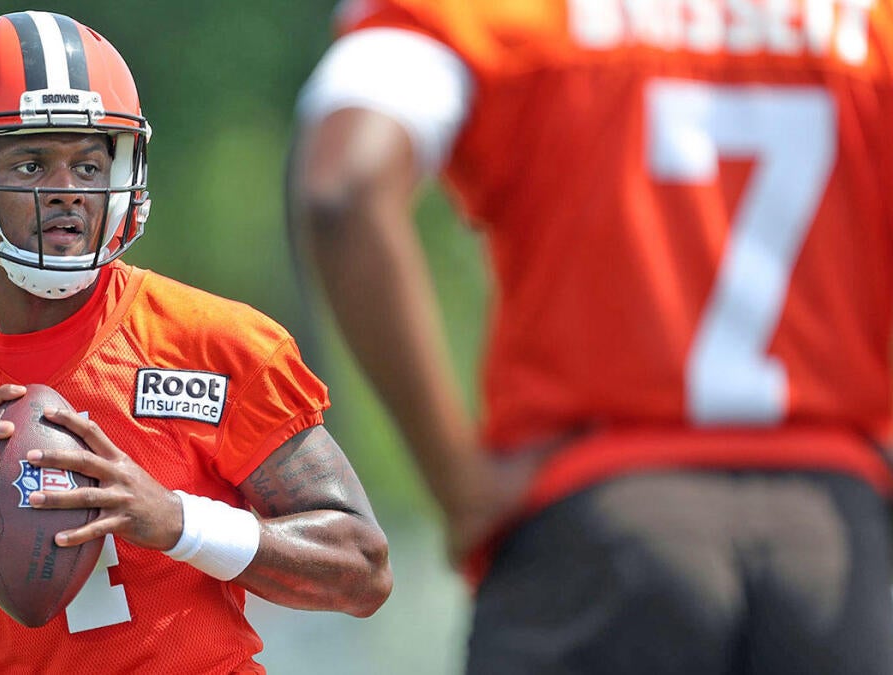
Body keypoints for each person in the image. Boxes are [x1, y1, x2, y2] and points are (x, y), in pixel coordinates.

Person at [289, 1, 893, 673]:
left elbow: (344, 186)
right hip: (838, 556)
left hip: (598, 531)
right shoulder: (869, 28)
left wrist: (459, 484)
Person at [0, 10, 391, 674]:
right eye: (31, 163)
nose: (67, 193)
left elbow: (361, 567)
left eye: (89, 164)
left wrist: (175, 520)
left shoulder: (215, 344)